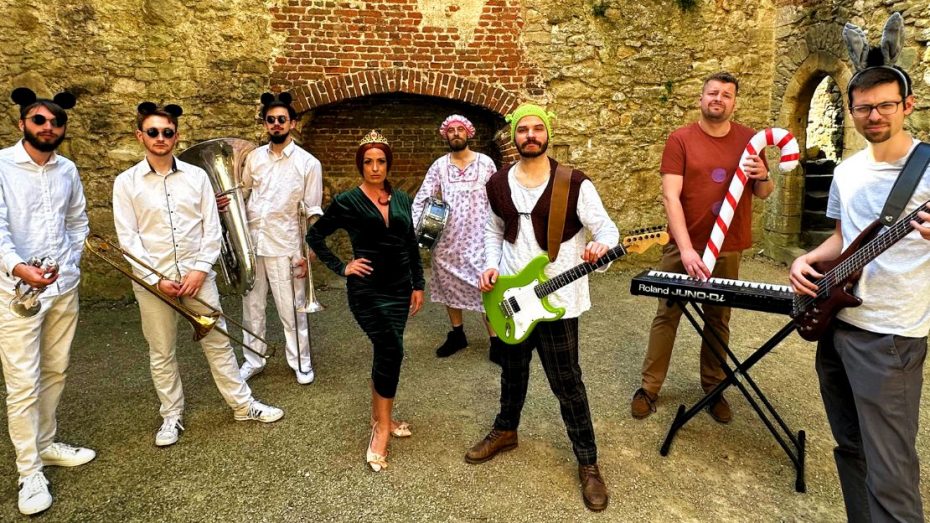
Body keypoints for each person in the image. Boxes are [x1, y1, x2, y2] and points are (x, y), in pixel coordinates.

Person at [789, 17, 930, 520]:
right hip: (836, 323)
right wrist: (805, 260)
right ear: (850, 111)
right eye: (864, 107)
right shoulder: (847, 171)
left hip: (890, 336)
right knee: (850, 449)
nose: (874, 115)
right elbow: (842, 239)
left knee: (891, 470)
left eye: (885, 105)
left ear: (907, 105)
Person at [465, 104, 618, 512]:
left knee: (567, 383)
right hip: (511, 297)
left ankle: (588, 463)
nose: (530, 135)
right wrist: (491, 266)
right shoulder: (498, 183)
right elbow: (493, 230)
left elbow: (606, 229)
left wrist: (602, 246)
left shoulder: (574, 183)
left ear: (547, 133)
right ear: (513, 136)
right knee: (511, 372)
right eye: (523, 129)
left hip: (558, 302)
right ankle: (506, 430)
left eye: (537, 128)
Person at [112, 102, 284, 449]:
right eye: (153, 132)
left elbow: (211, 228)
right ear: (140, 136)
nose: (161, 138)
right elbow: (128, 238)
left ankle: (242, 405)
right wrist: (155, 279)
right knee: (162, 352)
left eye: (167, 132)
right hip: (153, 283)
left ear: (176, 136)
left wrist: (199, 270)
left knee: (219, 343)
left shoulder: (197, 177)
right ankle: (171, 415)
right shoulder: (125, 183)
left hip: (197, 278)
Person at [630, 72, 772, 423]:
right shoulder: (680, 139)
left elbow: (763, 193)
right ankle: (649, 387)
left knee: (718, 318)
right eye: (712, 93)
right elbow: (671, 196)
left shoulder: (750, 140)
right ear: (701, 98)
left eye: (726, 94)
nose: (718, 99)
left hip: (728, 247)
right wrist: (686, 249)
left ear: (734, 102)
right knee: (667, 314)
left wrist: (763, 175)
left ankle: (714, 387)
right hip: (684, 245)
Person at [307, 130, 424, 472]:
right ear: (360, 165)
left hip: (399, 289)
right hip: (367, 291)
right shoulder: (347, 201)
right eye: (369, 162)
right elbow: (315, 235)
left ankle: (381, 417)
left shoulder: (402, 199)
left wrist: (418, 284)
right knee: (391, 350)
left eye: (381, 161)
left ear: (388, 164)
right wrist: (342, 267)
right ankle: (381, 429)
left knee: (386, 352)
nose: (375, 168)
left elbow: (410, 244)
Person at [0, 88, 94, 515]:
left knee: (56, 370)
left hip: (62, 288)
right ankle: (28, 471)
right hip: (16, 292)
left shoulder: (67, 169)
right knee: (23, 383)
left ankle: (46, 443)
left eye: (56, 122)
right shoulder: (2, 165)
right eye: (39, 121)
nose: (48, 128)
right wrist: (20, 269)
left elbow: (77, 221)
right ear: (22, 123)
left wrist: (68, 262)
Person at [231, 92, 322, 384]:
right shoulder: (254, 158)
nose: (276, 124)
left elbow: (313, 210)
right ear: (265, 124)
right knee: (252, 307)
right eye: (271, 120)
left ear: (292, 123)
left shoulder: (309, 163)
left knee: (292, 309)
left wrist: (310, 250)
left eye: (282, 119)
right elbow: (244, 193)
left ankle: (301, 362)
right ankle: (253, 359)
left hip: (286, 245)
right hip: (252, 242)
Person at [412, 114, 501, 362]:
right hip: (448, 243)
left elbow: (497, 198)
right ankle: (457, 334)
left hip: (480, 241)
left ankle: (496, 341)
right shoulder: (439, 166)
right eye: (451, 130)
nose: (455, 133)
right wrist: (419, 229)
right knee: (449, 287)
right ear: (446, 135)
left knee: (487, 289)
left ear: (468, 133)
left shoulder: (485, 163)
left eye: (460, 129)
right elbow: (421, 199)